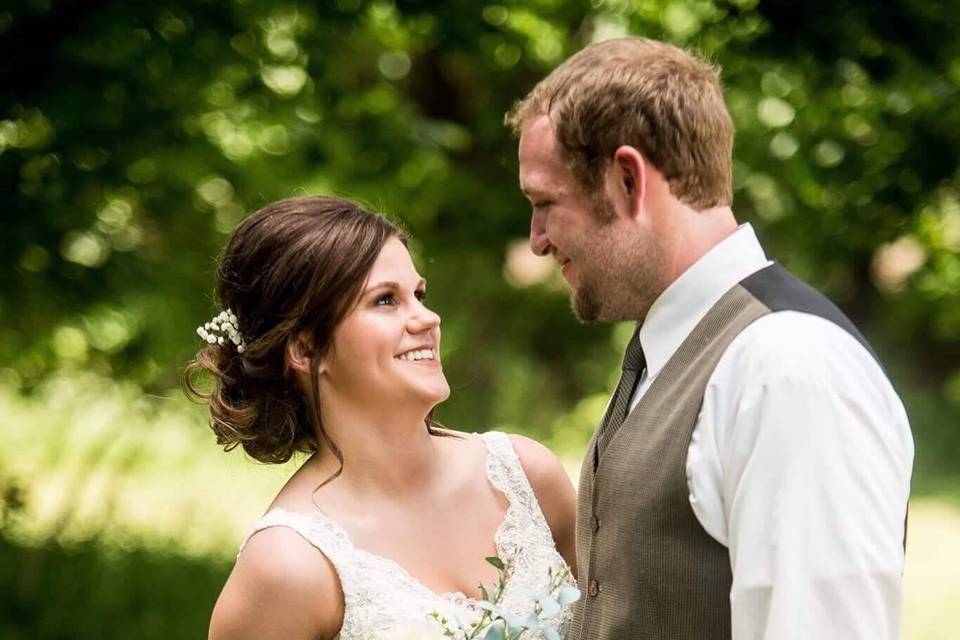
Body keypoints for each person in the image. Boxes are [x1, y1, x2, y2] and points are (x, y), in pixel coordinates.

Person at [506, 37, 913, 640]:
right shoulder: (669, 349)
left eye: (545, 203)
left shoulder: (788, 368)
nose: (537, 239)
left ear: (626, 180)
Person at [183, 196, 577, 640]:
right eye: (386, 300)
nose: (427, 318)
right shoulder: (289, 566)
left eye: (419, 294)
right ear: (306, 348)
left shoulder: (527, 477)